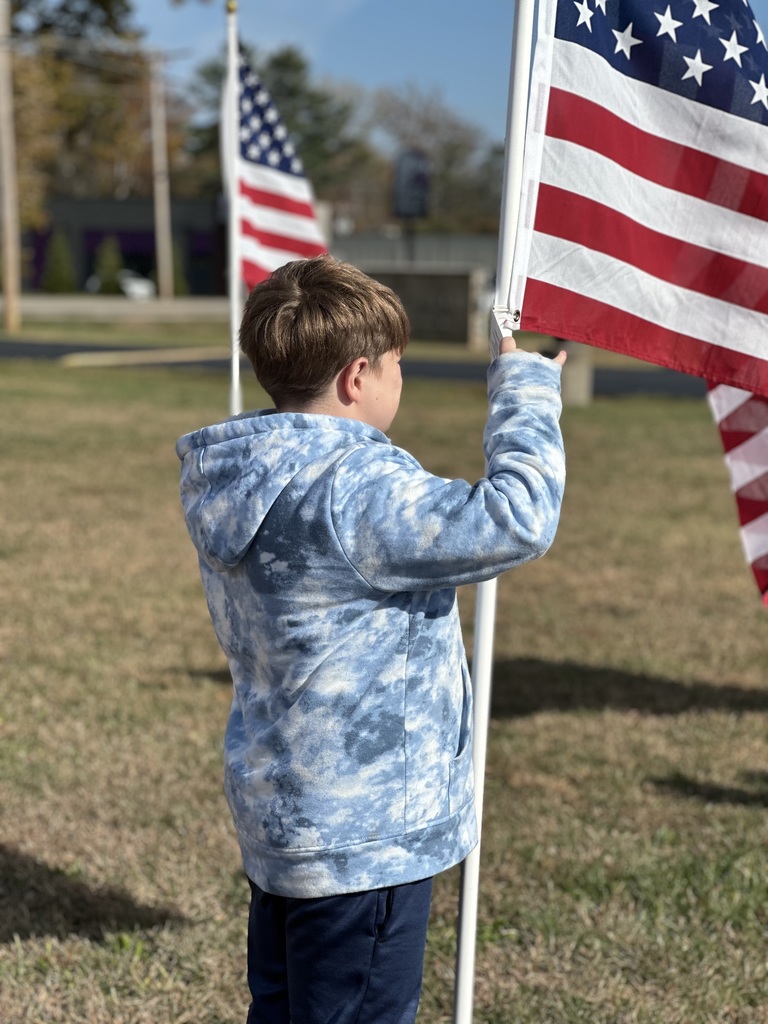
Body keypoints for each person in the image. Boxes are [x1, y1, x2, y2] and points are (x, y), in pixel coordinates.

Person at [175, 255, 566, 1024]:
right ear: (358, 377)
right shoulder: (355, 488)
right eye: (395, 364)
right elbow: (517, 518)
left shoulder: (239, 472)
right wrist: (524, 393)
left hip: (286, 818)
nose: (397, 378)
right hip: (367, 838)